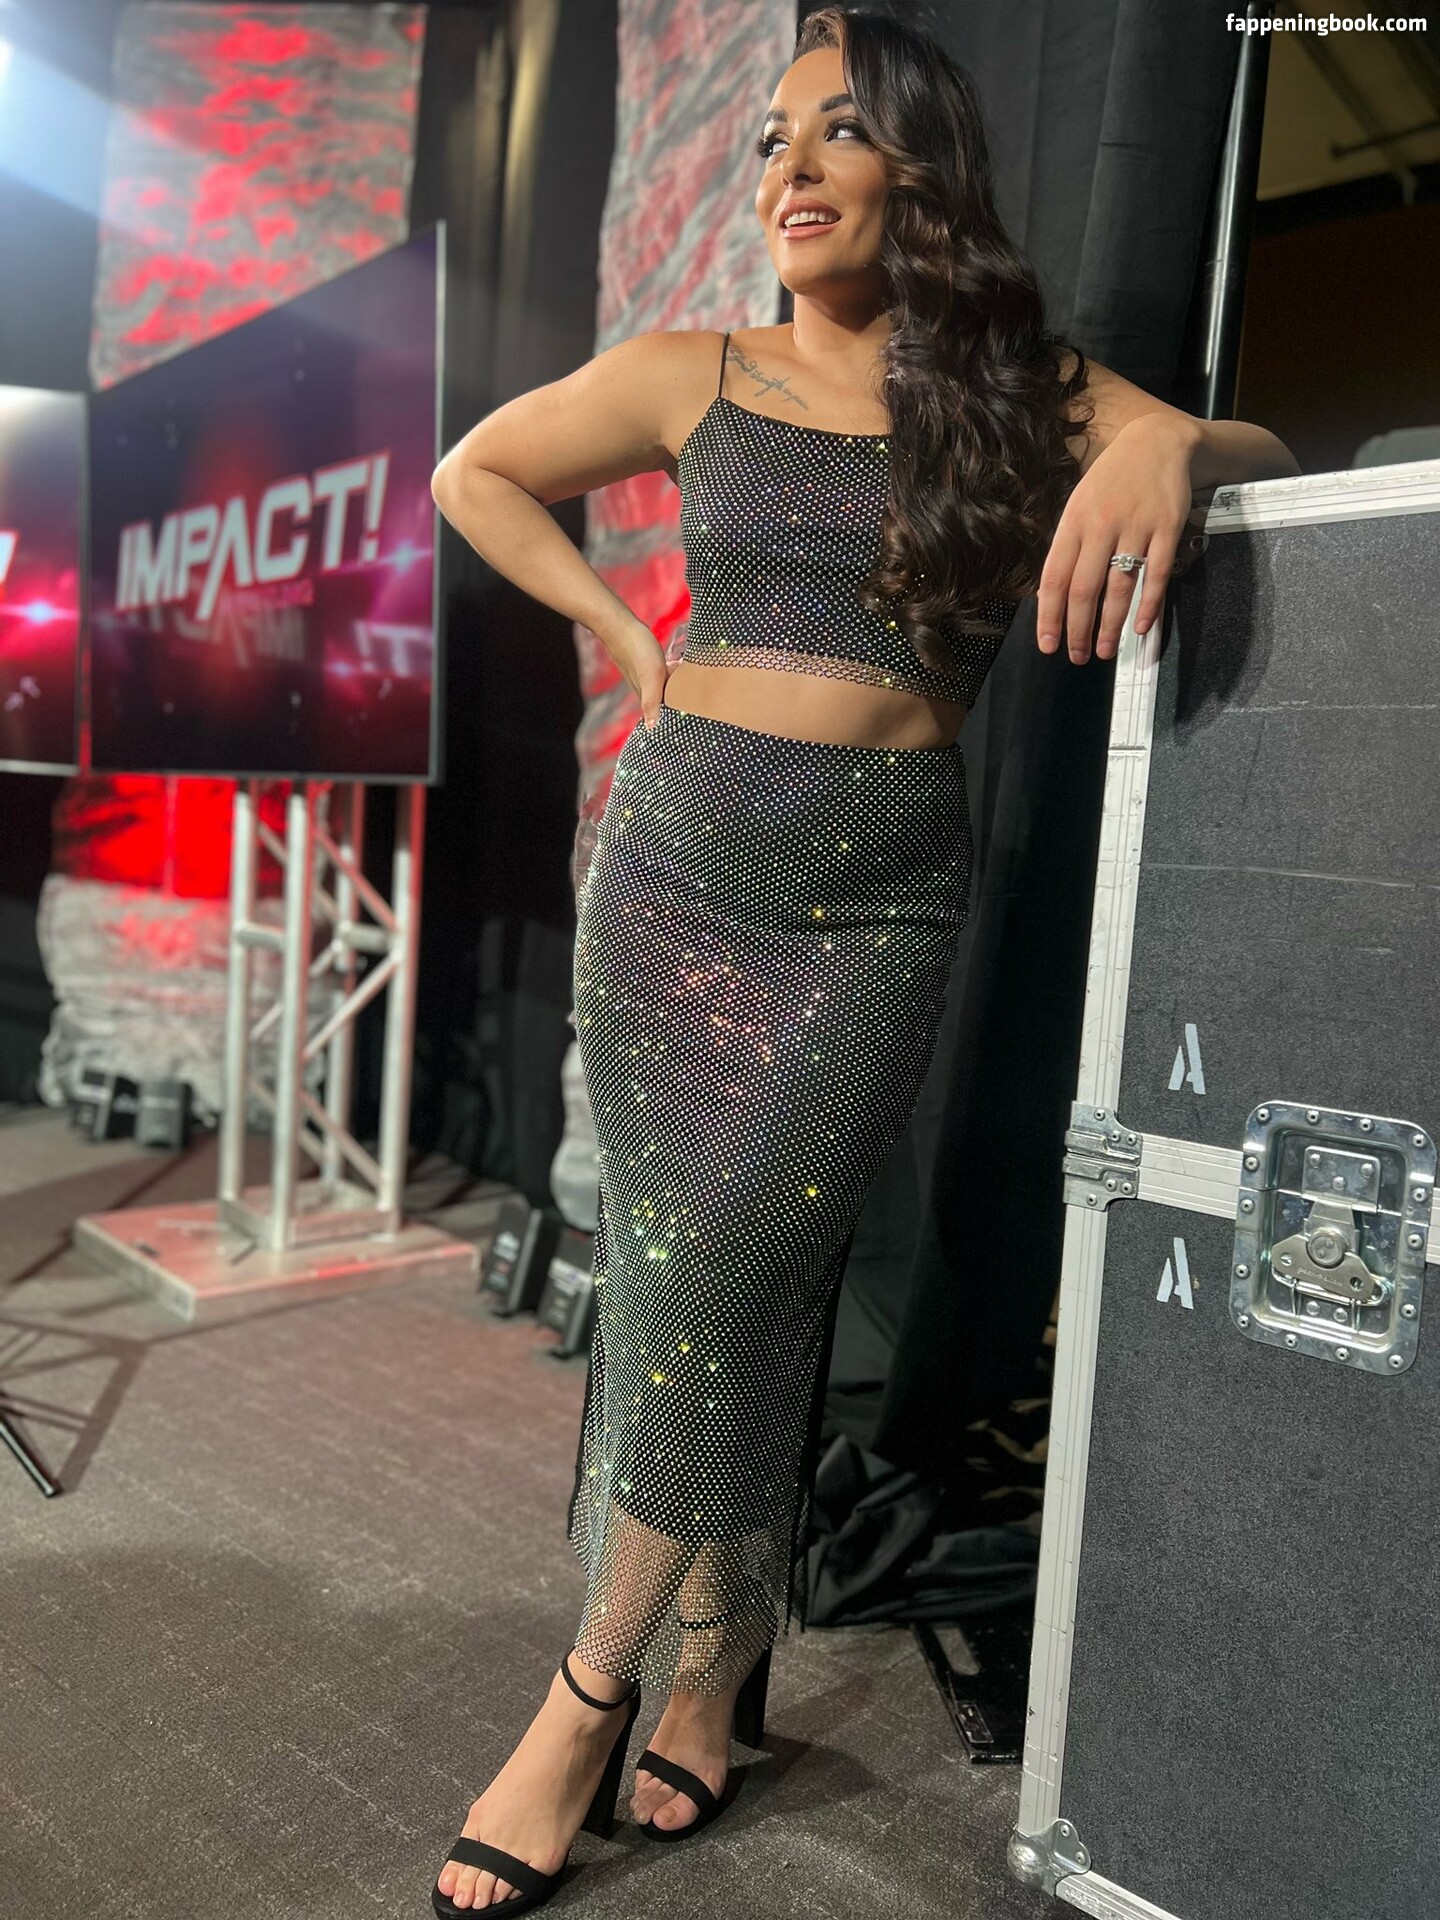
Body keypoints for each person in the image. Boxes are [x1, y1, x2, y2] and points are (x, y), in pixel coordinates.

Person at [426, 8, 1298, 1912]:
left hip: (875, 906)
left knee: (739, 1268)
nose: (790, 167)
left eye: (837, 131)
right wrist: (620, 637)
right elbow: (475, 474)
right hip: (673, 880)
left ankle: (585, 1695)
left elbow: (1261, 449)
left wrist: (1169, 446)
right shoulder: (696, 371)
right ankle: (706, 1658)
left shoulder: (1013, 394)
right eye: (769, 137)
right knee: (695, 1286)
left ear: (921, 167)